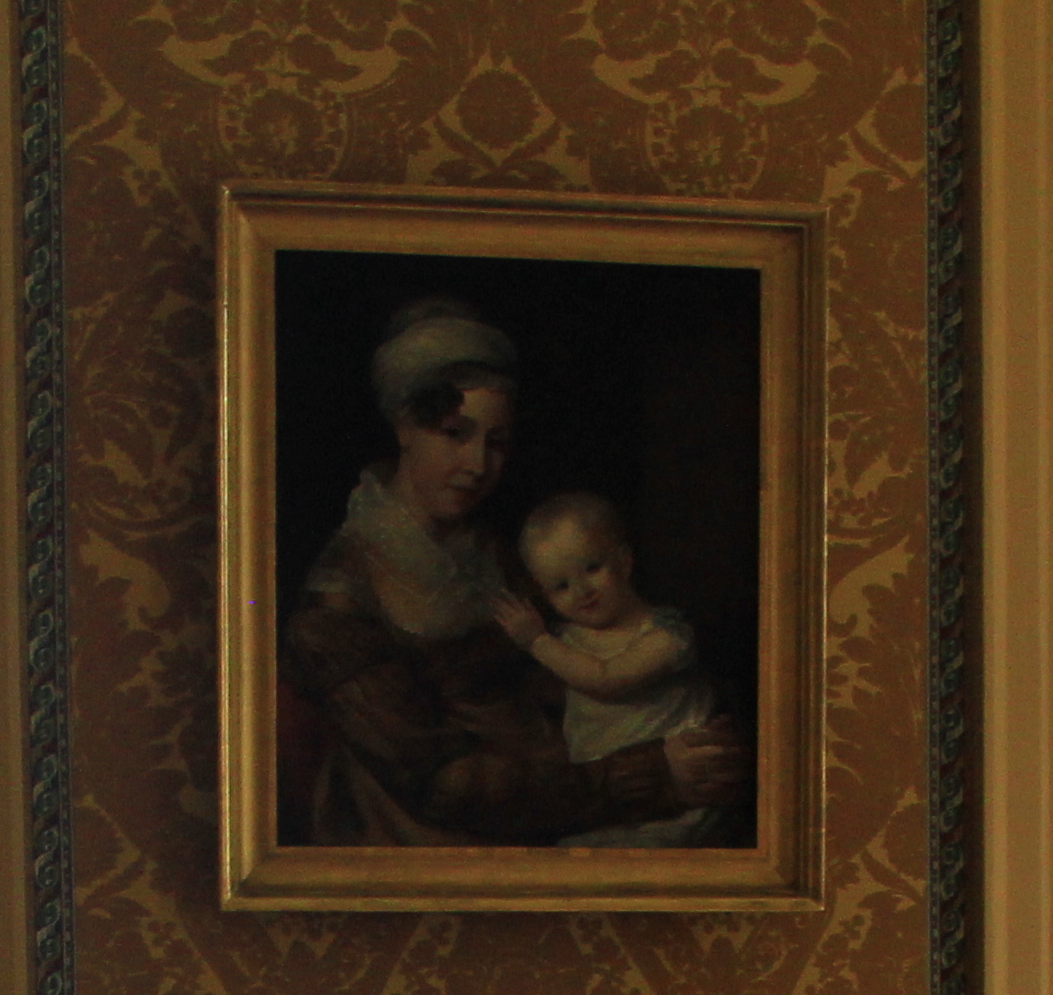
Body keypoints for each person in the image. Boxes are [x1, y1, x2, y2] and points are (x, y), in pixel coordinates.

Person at [275, 296, 748, 848]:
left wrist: (694, 733)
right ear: (404, 425)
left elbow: (572, 672)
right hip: (430, 839)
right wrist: (651, 773)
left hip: (558, 794)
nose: (479, 466)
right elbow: (442, 788)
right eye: (456, 433)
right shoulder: (339, 602)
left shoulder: (493, 553)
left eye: (496, 443)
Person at [505, 494, 719, 851]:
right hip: (607, 800)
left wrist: (536, 641)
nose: (582, 591)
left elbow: (607, 679)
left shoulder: (667, 634)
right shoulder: (567, 642)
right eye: (561, 586)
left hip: (677, 799)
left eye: (592, 568)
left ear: (624, 560)